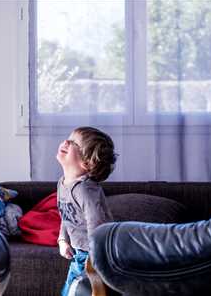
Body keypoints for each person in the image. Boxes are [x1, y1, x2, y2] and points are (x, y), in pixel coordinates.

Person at [56, 126, 117, 296]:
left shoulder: (85, 190)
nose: (67, 141)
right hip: (78, 253)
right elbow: (66, 215)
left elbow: (95, 223)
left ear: (87, 162)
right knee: (70, 291)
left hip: (92, 254)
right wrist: (62, 239)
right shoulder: (63, 183)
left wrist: (95, 257)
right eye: (68, 138)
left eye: (74, 142)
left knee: (82, 291)